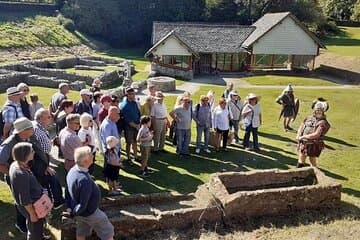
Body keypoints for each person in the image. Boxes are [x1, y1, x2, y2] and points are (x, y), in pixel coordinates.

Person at [67, 146, 114, 240]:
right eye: (90, 155)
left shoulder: (73, 170)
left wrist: (72, 209)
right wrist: (74, 213)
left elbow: (67, 191)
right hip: (90, 213)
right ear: (85, 161)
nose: (93, 156)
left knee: (81, 231)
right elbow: (83, 204)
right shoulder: (84, 180)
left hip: (81, 214)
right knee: (108, 231)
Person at [9, 142, 50, 240]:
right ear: (25, 155)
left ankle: (40, 236)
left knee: (36, 226)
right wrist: (32, 214)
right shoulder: (20, 174)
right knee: (35, 226)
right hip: (32, 207)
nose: (34, 152)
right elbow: (24, 198)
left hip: (34, 204)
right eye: (31, 151)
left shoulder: (16, 164)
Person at [296, 101, 330, 168]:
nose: (318, 111)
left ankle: (315, 175)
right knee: (301, 158)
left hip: (313, 144)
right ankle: (298, 175)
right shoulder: (308, 118)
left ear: (323, 111)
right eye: (317, 110)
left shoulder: (323, 122)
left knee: (312, 161)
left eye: (320, 110)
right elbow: (301, 126)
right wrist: (298, 135)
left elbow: (316, 134)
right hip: (304, 143)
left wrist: (303, 137)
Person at [120, 87, 141, 164]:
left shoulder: (134, 103)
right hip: (129, 127)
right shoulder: (125, 105)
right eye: (132, 94)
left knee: (135, 141)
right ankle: (128, 157)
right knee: (129, 142)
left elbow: (138, 113)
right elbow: (127, 120)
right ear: (128, 94)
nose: (134, 95)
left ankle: (135, 156)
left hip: (136, 125)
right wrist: (136, 126)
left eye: (134, 93)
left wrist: (139, 123)